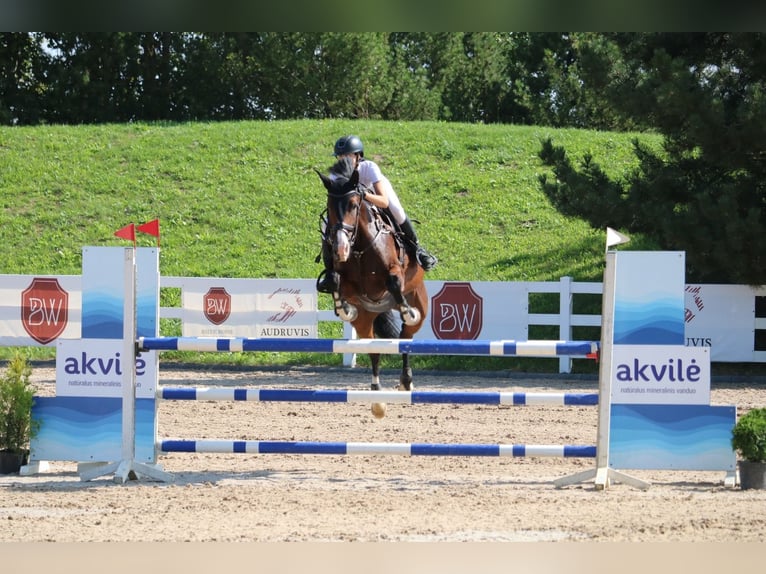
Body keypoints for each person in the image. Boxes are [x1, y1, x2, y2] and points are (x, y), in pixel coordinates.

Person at [317, 135, 437, 294]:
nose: (343, 160)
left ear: (358, 155)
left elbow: (383, 201)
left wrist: (363, 195)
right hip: (353, 207)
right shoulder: (336, 175)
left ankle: (417, 249)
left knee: (397, 210)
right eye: (340, 157)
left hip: (375, 196)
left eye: (348, 156)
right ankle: (330, 270)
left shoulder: (369, 167)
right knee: (326, 222)